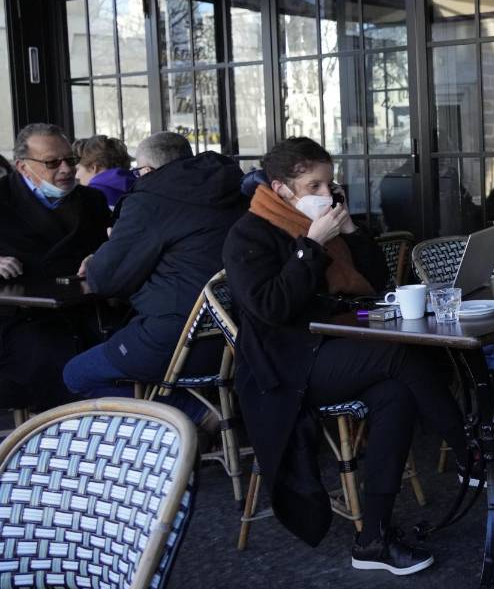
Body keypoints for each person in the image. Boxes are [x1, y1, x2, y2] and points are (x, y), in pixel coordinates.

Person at [222, 137, 467, 576]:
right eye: (313, 186)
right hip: (284, 366)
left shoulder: (331, 229)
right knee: (400, 357)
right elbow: (272, 308)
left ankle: (372, 538)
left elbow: (374, 285)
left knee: (396, 393)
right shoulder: (249, 233)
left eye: (329, 185)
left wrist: (351, 233)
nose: (325, 195)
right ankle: (474, 457)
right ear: (280, 189)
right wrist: (311, 246)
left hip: (335, 345)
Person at [63, 133, 247, 427]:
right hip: (238, 339)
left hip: (176, 342)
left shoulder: (151, 200)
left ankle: (187, 416)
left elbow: (105, 280)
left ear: (147, 171)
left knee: (76, 374)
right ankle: (188, 425)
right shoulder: (231, 188)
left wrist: (101, 256)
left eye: (138, 171)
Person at [0, 123, 110, 411]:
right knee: (49, 359)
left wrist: (100, 256)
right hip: (17, 320)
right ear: (23, 167)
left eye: (70, 159)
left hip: (85, 311)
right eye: (52, 162)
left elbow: (108, 248)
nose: (66, 169)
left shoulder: (92, 200)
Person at [73, 134, 137, 209]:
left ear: (93, 168)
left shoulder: (88, 197)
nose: (76, 176)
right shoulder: (138, 187)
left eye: (77, 169)